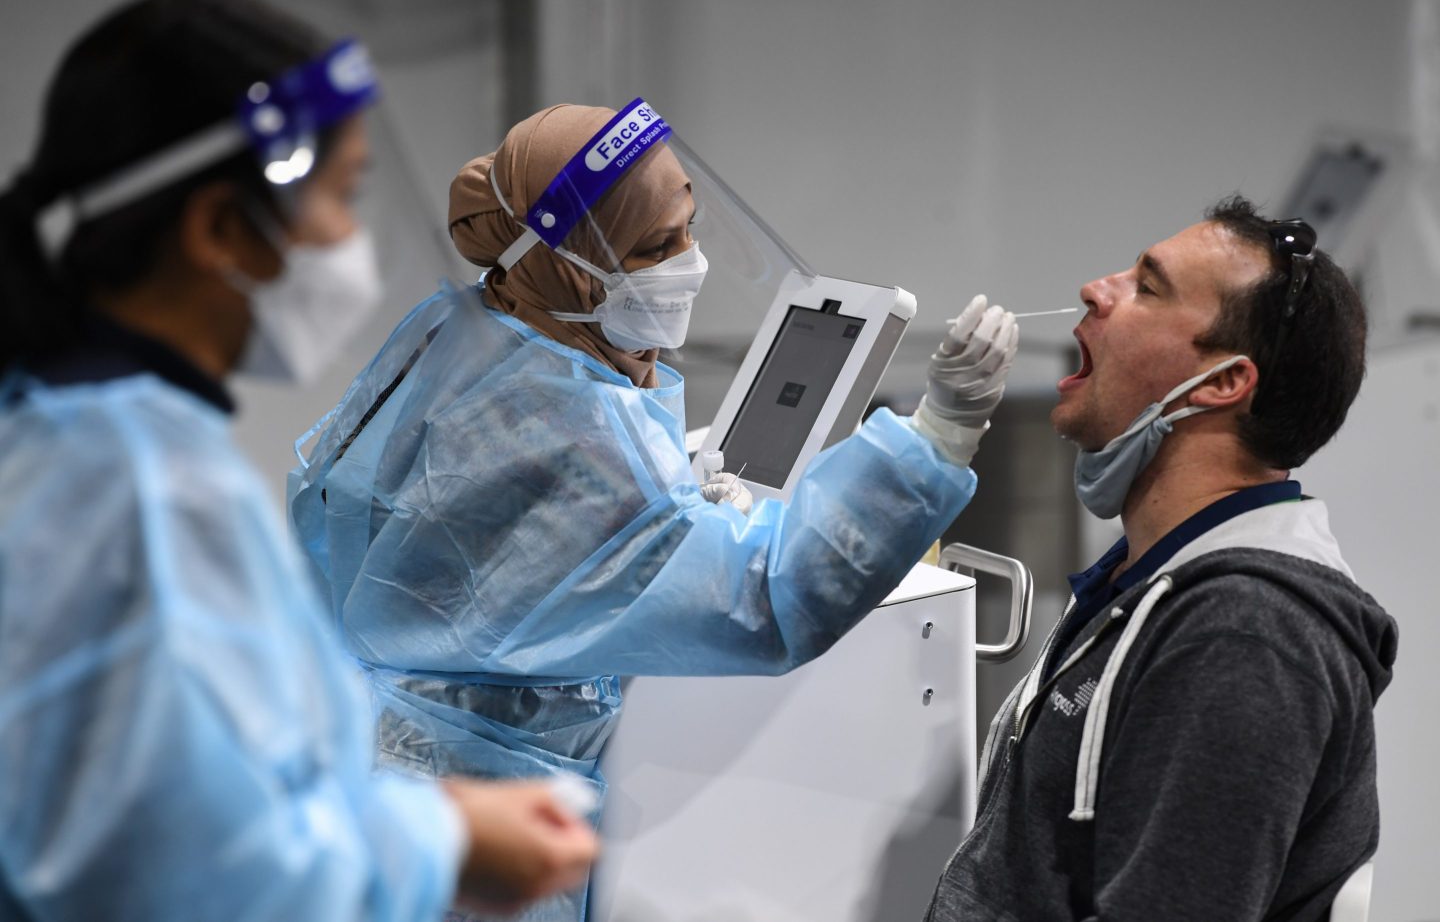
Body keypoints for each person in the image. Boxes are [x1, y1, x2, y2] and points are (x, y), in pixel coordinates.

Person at [287, 102, 1019, 921]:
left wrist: (664, 508)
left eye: (689, 229)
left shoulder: (474, 326)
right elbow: (765, 598)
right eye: (654, 247)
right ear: (569, 265)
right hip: (476, 825)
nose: (689, 262)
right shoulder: (565, 423)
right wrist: (938, 435)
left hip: (384, 769)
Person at [0, 0, 596, 921]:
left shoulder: (66, 426)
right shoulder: (142, 488)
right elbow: (183, 877)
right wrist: (443, 845)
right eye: (342, 198)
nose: (350, 242)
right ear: (220, 229)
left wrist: (415, 818)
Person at [926, 196, 1399, 921]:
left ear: (1221, 383)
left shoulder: (1245, 632)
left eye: (1147, 287)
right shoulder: (1146, 586)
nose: (1095, 290)